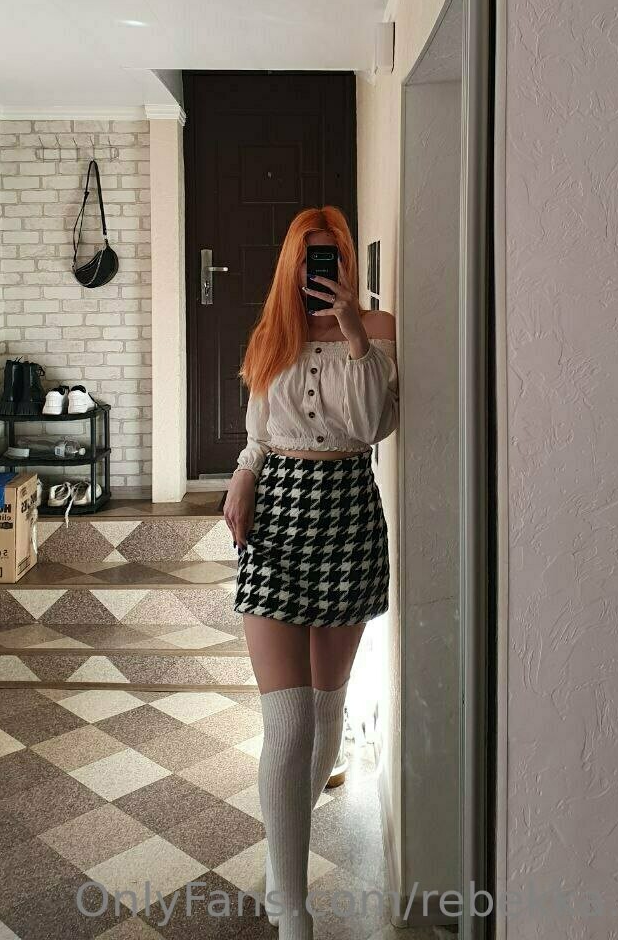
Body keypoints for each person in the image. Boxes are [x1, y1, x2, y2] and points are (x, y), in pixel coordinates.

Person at [222, 205, 398, 939]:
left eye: (327, 256)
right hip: (277, 513)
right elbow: (260, 432)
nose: (314, 269)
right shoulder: (273, 334)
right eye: (306, 256)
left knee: (326, 712)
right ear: (290, 264)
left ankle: (286, 852)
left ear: (346, 263)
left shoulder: (377, 329)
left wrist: (354, 333)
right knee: (289, 720)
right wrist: (242, 474)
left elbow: (372, 425)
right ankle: (290, 903)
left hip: (347, 512)